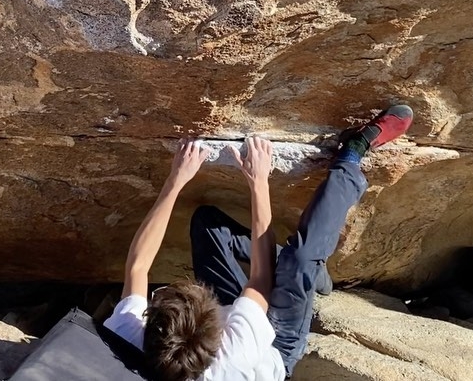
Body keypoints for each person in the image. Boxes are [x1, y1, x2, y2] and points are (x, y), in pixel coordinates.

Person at [104, 104, 414, 380]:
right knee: (300, 258)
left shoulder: (130, 342)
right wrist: (258, 181)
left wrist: (174, 182)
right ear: (216, 334)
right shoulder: (233, 358)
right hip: (277, 344)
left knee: (208, 225)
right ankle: (353, 154)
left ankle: (310, 276)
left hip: (235, 320)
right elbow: (260, 278)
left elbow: (138, 265)